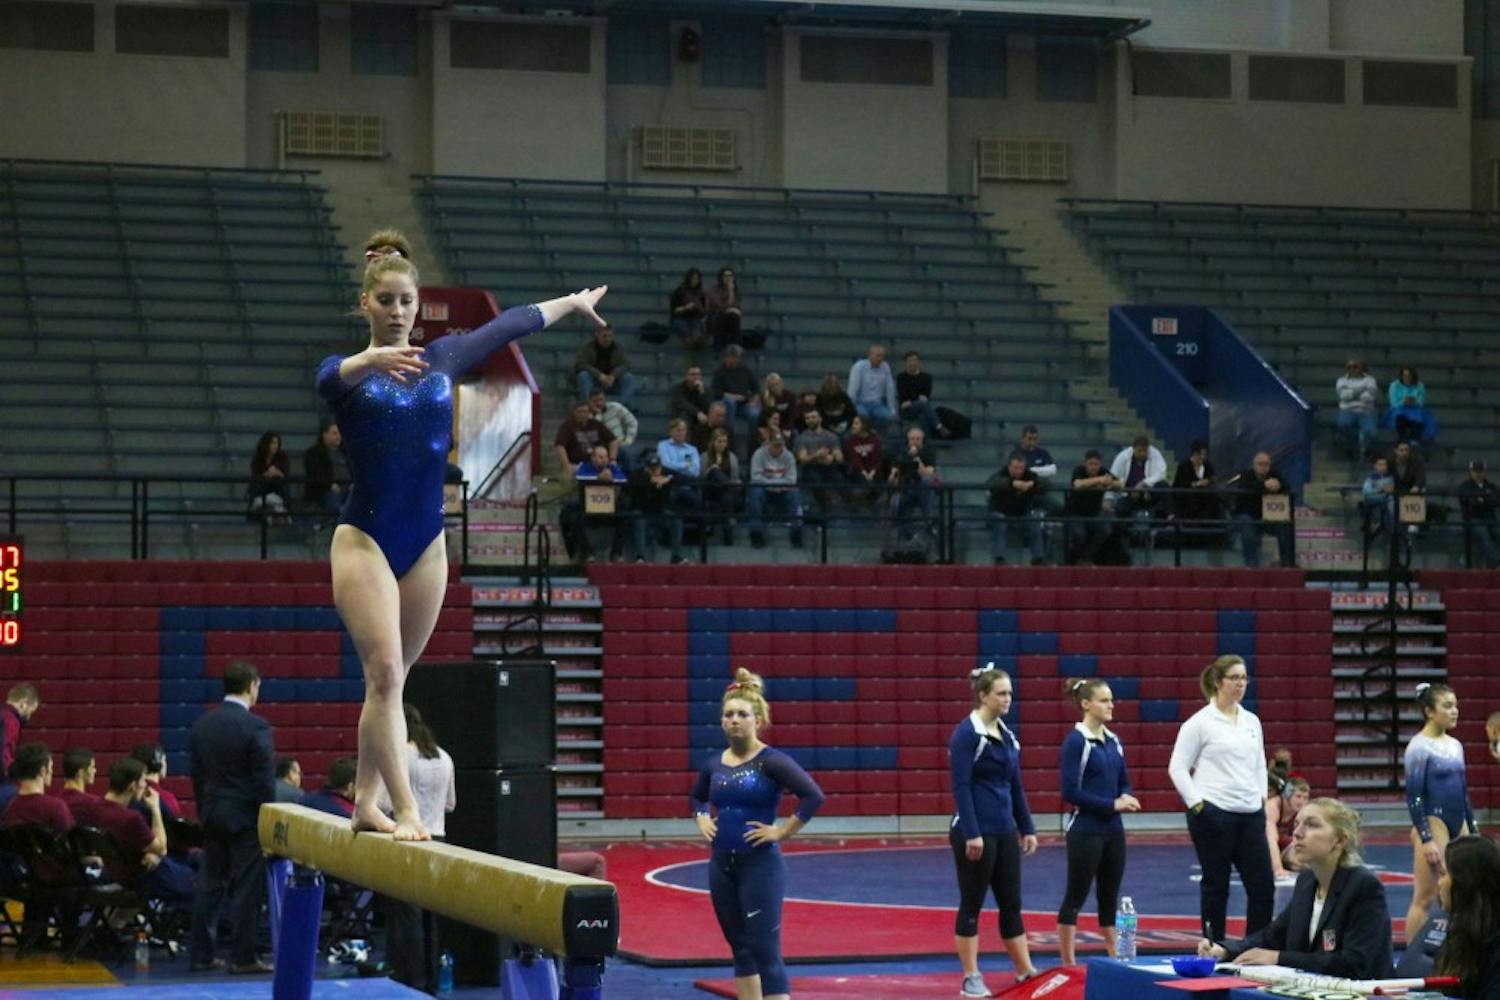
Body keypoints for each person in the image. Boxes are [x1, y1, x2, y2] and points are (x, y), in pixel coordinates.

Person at [317, 243, 606, 840]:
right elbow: (327, 378)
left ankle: (366, 802)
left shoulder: (444, 357)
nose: (397, 311)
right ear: (365, 303)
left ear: (419, 305)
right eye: (386, 301)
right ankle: (406, 812)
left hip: (426, 541)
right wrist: (367, 363)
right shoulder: (346, 373)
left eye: (407, 301)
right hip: (364, 538)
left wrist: (571, 304)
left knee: (391, 681)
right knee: (387, 672)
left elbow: (511, 323)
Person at [691, 668, 824, 1000]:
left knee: (765, 950)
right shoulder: (713, 764)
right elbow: (697, 795)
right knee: (740, 947)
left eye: (742, 714)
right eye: (728, 714)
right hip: (721, 864)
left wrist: (782, 832)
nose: (734, 720)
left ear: (758, 719)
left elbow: (813, 796)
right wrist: (701, 816)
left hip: (759, 866)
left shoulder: (771, 762)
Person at [1196, 798, 1392, 980]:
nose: (1297, 833)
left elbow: (1354, 964)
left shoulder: (1364, 886)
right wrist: (1225, 950)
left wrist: (1278, 958)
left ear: (1340, 840)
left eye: (1312, 825)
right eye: (1297, 824)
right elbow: (1272, 937)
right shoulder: (1307, 882)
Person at [1169, 654, 1274, 940]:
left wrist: (1261, 799)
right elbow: (1177, 767)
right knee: (1217, 885)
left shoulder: (1252, 721)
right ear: (1218, 682)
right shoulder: (1200, 723)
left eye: (1244, 678)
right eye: (1235, 678)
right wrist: (1198, 805)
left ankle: (1255, 946)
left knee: (1263, 885)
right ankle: (1213, 944)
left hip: (1250, 813)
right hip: (1214, 813)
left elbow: (1259, 763)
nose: (1241, 684)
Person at [949, 665, 1039, 997]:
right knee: (972, 903)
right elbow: (961, 786)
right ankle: (971, 976)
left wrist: (1026, 827)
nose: (1007, 699)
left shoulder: (1008, 736)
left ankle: (1024, 969)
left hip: (1004, 831)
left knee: (1011, 903)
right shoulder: (966, 735)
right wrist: (972, 833)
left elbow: (1015, 786)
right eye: (1001, 693)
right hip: (975, 833)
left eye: (1010, 693)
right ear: (983, 695)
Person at [188, 660, 275, 974]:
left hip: (213, 812)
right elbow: (264, 781)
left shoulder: (202, 725)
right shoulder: (257, 726)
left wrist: (204, 811)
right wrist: (268, 822)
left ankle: (201, 955)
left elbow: (196, 775)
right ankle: (243, 956)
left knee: (209, 885)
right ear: (251, 686)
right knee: (247, 889)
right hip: (245, 817)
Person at [1057, 678, 1139, 967]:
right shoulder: (1077, 742)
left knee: (1109, 898)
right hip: (1085, 831)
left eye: (1111, 700)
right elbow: (1070, 791)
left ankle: (1116, 960)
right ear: (1086, 704)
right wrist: (1112, 804)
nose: (1111, 705)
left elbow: (1124, 781)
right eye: (1104, 700)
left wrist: (1126, 797)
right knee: (1075, 895)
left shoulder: (1113, 741)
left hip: (1113, 830)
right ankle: (1068, 964)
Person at [379, 705, 456, 995]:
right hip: (438, 839)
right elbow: (450, 804)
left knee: (407, 917)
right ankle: (432, 982)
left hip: (409, 839)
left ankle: (410, 981)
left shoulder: (400, 756)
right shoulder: (444, 756)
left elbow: (386, 804)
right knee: (430, 918)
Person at [1403, 682, 1475, 940]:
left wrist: (1473, 831)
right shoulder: (1419, 747)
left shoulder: (1455, 745)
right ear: (1429, 711)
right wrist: (1426, 839)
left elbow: (1463, 791)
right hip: (1433, 822)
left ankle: (1457, 950)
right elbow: (1414, 796)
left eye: (1455, 705)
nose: (1454, 711)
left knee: (1461, 894)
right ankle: (1411, 961)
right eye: (1447, 706)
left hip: (1459, 822)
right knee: (1426, 896)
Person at [96, 757, 195, 910]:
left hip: (118, 872)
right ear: (132, 786)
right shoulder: (129, 817)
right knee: (209, 883)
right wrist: (155, 808)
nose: (145, 786)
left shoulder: (96, 808)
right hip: (147, 878)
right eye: (143, 781)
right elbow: (161, 848)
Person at [1433, 835, 1500, 1000]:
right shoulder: (1459, 934)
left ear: (1465, 882)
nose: (1439, 883)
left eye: (1444, 874)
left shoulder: (1495, 947)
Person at [1231, 451, 1294, 568]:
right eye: (1260, 464)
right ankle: (1252, 564)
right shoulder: (1246, 475)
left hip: (1268, 517)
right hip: (1247, 514)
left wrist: (1279, 486)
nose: (1263, 467)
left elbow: (1287, 486)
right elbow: (1246, 487)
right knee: (1246, 524)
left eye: (1266, 464)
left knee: (1285, 526)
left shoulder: (1275, 474)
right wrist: (1264, 485)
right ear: (1254, 465)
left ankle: (1287, 563)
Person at [987, 452, 1046, 566]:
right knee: (1000, 521)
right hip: (1000, 513)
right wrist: (1012, 483)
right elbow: (991, 483)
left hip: (1022, 515)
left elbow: (1047, 484)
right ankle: (999, 559)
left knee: (1035, 519)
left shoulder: (1029, 475)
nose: (1019, 471)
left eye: (1021, 468)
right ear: (1009, 466)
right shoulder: (1000, 474)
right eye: (1015, 468)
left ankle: (1038, 559)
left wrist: (1032, 484)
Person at [1, 743, 73, 834]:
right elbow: (70, 843)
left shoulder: (8, 808)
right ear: (43, 771)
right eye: (51, 767)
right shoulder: (56, 807)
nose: (52, 772)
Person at [1064, 450, 1119, 566]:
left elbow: (1121, 484)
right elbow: (1078, 484)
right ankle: (1077, 558)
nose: (1093, 467)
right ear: (1085, 463)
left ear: (1100, 464)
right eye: (1090, 464)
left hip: (1095, 514)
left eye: (1096, 464)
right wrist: (1099, 480)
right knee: (1079, 535)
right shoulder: (1078, 471)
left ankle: (1086, 558)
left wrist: (1110, 483)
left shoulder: (1104, 472)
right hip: (1075, 514)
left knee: (1106, 530)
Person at [747, 436, 803, 550]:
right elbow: (755, 477)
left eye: (780, 445)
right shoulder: (759, 454)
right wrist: (774, 484)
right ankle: (756, 534)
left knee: (795, 492)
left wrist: (773, 484)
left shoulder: (789, 456)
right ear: (769, 444)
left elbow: (791, 480)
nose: (778, 448)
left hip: (781, 490)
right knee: (755, 491)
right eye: (775, 445)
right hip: (765, 490)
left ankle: (796, 534)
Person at [627, 453, 684, 564]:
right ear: (646, 468)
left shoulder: (665, 474)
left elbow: (684, 478)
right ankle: (640, 557)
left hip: (660, 512)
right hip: (642, 512)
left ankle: (676, 556)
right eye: (651, 468)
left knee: (676, 519)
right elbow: (635, 499)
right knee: (639, 520)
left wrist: (669, 480)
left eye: (657, 468)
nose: (654, 471)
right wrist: (649, 481)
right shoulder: (637, 475)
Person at [572, 325, 636, 409]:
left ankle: (620, 407)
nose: (607, 339)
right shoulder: (588, 347)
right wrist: (599, 375)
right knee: (583, 376)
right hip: (594, 379)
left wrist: (613, 376)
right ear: (597, 335)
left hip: (612, 380)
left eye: (610, 336)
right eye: (604, 336)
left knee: (629, 378)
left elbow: (625, 364)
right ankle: (587, 404)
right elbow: (580, 364)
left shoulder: (618, 347)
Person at [889, 427, 939, 534]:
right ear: (908, 440)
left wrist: (916, 457)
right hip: (906, 487)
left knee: (927, 482)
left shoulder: (928, 451)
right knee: (899, 495)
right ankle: (902, 528)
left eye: (918, 439)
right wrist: (894, 476)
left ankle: (928, 523)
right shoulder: (902, 452)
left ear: (922, 440)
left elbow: (927, 473)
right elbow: (893, 475)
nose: (915, 442)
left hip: (922, 488)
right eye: (912, 439)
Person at [792, 408, 843, 511]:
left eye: (813, 417)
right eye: (807, 418)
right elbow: (802, 459)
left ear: (820, 419)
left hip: (829, 468)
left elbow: (840, 456)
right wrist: (817, 456)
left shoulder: (831, 436)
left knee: (841, 480)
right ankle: (824, 512)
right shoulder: (801, 438)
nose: (810, 420)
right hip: (810, 469)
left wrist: (833, 458)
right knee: (815, 479)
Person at [1109, 435, 1167, 524]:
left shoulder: (1155, 453)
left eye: (1145, 451)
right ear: (1133, 449)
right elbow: (1112, 478)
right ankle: (1125, 535)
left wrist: (1144, 484)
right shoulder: (1123, 457)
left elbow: (1161, 474)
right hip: (1129, 495)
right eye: (1139, 451)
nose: (1142, 453)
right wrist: (1108, 498)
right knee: (1120, 509)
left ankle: (1156, 533)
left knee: (1163, 488)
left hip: (1148, 495)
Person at [554, 399, 617, 478]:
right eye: (579, 411)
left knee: (608, 474)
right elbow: (559, 446)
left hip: (599, 464)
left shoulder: (596, 424)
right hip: (578, 465)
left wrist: (612, 459)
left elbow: (613, 441)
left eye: (585, 411)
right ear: (573, 412)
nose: (583, 414)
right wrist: (566, 465)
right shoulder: (567, 426)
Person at [1457, 459, 1500, 569]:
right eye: (1475, 471)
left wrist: (1481, 500)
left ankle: (1494, 562)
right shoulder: (1464, 487)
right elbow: (1470, 503)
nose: (1478, 473)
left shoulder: (1491, 486)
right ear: (1471, 472)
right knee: (1484, 538)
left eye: (1480, 471)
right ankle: (1497, 563)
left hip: (1490, 519)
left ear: (1485, 472)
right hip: (1473, 520)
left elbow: (1496, 501)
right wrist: (1486, 500)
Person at [701, 427, 741, 545]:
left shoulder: (732, 457)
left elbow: (736, 477)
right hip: (709, 490)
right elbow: (701, 478)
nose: (722, 444)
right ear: (713, 442)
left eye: (724, 441)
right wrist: (712, 469)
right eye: (719, 441)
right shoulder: (705, 456)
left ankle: (728, 537)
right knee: (714, 471)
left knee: (727, 498)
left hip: (726, 493)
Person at [1265, 777, 1311, 878]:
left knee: (1307, 860)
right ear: (1287, 795)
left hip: (1283, 846)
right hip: (1263, 847)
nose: (1301, 801)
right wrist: (1278, 869)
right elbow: (1270, 840)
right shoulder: (1272, 806)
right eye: (1298, 796)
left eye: (1305, 797)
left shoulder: (1304, 810)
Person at [302, 418, 349, 515]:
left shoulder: (346, 452)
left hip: (348, 490)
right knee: (336, 505)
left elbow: (354, 471)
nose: (338, 436)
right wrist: (329, 485)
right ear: (325, 434)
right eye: (334, 433)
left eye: (339, 433)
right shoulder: (313, 453)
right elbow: (315, 474)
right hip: (325, 492)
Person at [1335, 359, 1379, 458]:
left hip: (1366, 411)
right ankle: (1353, 444)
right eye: (1349, 367)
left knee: (1370, 431)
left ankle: (1365, 448)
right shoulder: (1341, 380)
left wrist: (1351, 393)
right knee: (1342, 425)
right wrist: (1362, 390)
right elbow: (1343, 396)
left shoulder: (1370, 380)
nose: (1352, 369)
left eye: (1355, 366)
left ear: (1362, 368)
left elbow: (1368, 398)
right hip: (1347, 410)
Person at [848, 345, 897, 431]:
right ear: (869, 355)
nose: (880, 359)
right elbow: (853, 389)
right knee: (863, 417)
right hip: (860, 403)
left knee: (888, 417)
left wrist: (891, 408)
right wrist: (850, 406)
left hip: (877, 405)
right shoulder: (859, 366)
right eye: (878, 355)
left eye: (882, 356)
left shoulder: (885, 367)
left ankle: (875, 434)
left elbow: (890, 389)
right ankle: (868, 433)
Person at [1385, 366, 1437, 444]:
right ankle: (1401, 439)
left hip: (1414, 408)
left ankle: (1414, 439)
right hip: (1398, 408)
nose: (1407, 378)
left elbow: (1421, 402)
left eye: (1409, 376)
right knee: (1399, 417)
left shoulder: (1420, 385)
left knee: (1420, 418)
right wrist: (1403, 402)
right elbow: (1393, 402)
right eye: (1404, 376)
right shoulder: (1394, 385)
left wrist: (1413, 402)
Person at [588, 388, 638, 470]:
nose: (599, 403)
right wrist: (598, 414)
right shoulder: (586, 415)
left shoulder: (615, 407)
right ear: (590, 402)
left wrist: (628, 441)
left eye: (601, 399)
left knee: (628, 453)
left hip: (619, 444)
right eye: (595, 401)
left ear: (605, 399)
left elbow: (632, 422)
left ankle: (631, 481)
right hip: (598, 448)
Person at [711, 346, 760, 428]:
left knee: (755, 414)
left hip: (743, 404)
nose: (732, 360)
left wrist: (754, 401)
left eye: (735, 357)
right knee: (730, 402)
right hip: (724, 404)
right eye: (730, 357)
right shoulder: (719, 372)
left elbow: (756, 389)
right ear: (725, 358)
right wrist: (731, 396)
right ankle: (729, 435)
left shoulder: (746, 371)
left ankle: (754, 439)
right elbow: (715, 391)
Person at [1171, 440, 1219, 523]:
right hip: (1186, 499)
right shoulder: (1184, 465)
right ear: (1194, 454)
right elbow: (1181, 485)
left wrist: (1208, 481)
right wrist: (1196, 484)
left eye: (1204, 454)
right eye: (1200, 454)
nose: (1202, 457)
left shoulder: (1207, 465)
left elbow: (1213, 478)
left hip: (1203, 499)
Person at [844, 414, 884, 505]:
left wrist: (872, 472)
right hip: (858, 470)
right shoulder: (850, 441)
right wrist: (865, 473)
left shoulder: (875, 439)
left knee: (874, 480)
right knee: (866, 481)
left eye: (856, 423)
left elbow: (877, 459)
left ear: (864, 425)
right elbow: (855, 459)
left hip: (874, 470)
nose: (853, 426)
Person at [248, 431, 290, 516]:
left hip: (277, 487)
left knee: (280, 483)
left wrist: (277, 473)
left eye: (277, 443)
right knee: (258, 485)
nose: (275, 446)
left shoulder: (282, 457)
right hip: (262, 487)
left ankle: (282, 508)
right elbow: (255, 474)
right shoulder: (258, 458)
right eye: (273, 443)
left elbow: (285, 473)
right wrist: (267, 474)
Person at [897, 351, 939, 437]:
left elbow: (926, 395)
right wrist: (917, 399)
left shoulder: (927, 377)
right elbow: (903, 396)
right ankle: (939, 426)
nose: (912, 363)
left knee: (923, 415)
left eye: (915, 360)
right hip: (906, 410)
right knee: (922, 405)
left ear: (919, 362)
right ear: (906, 363)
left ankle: (925, 446)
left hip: (920, 408)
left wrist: (911, 400)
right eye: (910, 361)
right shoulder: (901, 377)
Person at [57, 747, 103, 825]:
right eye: (92, 767)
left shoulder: (55, 801)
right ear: (81, 772)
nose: (95, 771)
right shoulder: (94, 803)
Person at [1, 682, 39, 775]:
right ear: (24, 704)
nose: (29, 717)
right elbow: (5, 751)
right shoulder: (12, 721)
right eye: (30, 711)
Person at [706, 267, 744, 352]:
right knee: (730, 314)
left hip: (730, 319)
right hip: (716, 318)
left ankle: (736, 346)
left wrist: (734, 309)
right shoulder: (715, 290)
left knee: (734, 316)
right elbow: (721, 307)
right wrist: (730, 291)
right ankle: (720, 345)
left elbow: (737, 306)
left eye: (730, 276)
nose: (728, 278)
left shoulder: (736, 291)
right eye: (725, 276)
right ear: (721, 278)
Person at [670, 267, 708, 348]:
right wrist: (685, 307)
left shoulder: (701, 293)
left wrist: (699, 307)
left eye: (697, 279)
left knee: (698, 333)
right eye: (693, 278)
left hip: (694, 318)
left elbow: (703, 312)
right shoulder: (679, 292)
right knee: (685, 331)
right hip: (680, 318)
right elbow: (674, 310)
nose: (695, 281)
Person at [1360, 455, 1396, 539]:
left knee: (1391, 502)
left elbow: (1393, 489)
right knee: (1386, 500)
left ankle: (1390, 529)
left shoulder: (1391, 477)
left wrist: (1390, 489)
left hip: (1387, 500)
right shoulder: (1371, 478)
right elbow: (1365, 491)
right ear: (1375, 466)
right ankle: (1377, 525)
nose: (1382, 467)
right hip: (1373, 499)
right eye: (1380, 464)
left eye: (1384, 465)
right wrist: (1380, 490)